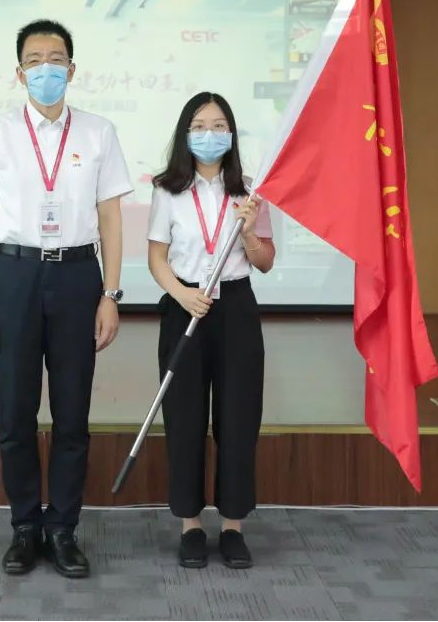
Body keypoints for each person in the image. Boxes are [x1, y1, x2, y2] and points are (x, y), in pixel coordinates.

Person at [0, 20, 132, 578]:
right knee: (15, 412)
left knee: (72, 412)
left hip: (78, 275)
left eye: (56, 59)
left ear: (72, 69)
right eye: (34, 60)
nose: (46, 69)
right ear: (19, 73)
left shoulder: (99, 132)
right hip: (14, 274)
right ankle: (24, 527)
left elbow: (111, 218)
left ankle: (62, 528)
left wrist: (110, 293)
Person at [146, 92, 275, 569]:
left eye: (219, 125)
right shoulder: (167, 189)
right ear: (186, 133)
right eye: (200, 126)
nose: (210, 134)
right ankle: (191, 526)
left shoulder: (252, 191)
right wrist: (181, 295)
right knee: (184, 418)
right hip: (185, 306)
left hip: (235, 308)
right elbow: (156, 256)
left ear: (232, 133)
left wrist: (249, 232)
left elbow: (265, 261)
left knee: (238, 418)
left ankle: (234, 526)